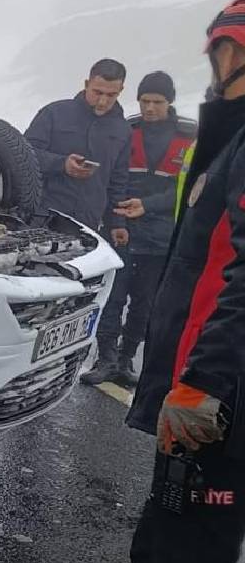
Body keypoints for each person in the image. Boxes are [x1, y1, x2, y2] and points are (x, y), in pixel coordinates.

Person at [112, 0, 245, 563]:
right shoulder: (229, 137)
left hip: (214, 405)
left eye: (220, 50)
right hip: (200, 396)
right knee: (159, 562)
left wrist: (204, 383)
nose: (214, 65)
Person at [82, 71, 197, 386]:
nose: (149, 108)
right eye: (144, 101)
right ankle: (105, 359)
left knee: (145, 303)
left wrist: (151, 204)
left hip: (162, 236)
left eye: (156, 102)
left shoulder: (190, 136)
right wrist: (117, 218)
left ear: (169, 101)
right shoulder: (124, 130)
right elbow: (109, 177)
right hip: (121, 229)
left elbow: (190, 188)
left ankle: (126, 359)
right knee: (113, 297)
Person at [24, 59, 132, 240]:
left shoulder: (122, 129)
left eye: (111, 95)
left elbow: (117, 180)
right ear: (86, 84)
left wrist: (117, 224)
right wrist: (62, 164)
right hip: (43, 217)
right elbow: (24, 155)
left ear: (121, 91)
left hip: (87, 224)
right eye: (97, 92)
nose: (103, 101)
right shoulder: (54, 113)